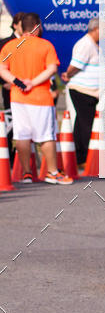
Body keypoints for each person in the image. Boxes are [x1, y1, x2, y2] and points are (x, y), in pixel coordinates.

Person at [0, 12, 72, 184]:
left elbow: (2, 69)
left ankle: (27, 173)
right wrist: (32, 82)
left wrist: (18, 82)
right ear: (37, 27)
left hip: (17, 97)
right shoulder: (45, 45)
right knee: (46, 135)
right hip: (40, 97)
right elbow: (52, 68)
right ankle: (52, 172)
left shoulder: (10, 46)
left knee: (22, 135)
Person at [61, 18, 100, 168]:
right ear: (95, 29)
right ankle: (83, 156)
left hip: (89, 91)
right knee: (86, 124)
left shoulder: (93, 45)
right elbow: (76, 64)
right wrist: (68, 74)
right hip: (83, 90)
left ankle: (78, 155)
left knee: (81, 123)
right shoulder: (85, 44)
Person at [0, 11, 25, 164]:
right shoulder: (5, 44)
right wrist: (5, 83)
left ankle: (23, 159)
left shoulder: (32, 42)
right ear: (15, 25)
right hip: (10, 90)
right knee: (10, 125)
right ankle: (7, 157)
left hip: (29, 91)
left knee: (24, 126)